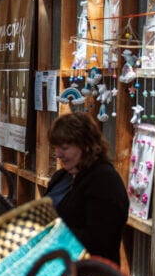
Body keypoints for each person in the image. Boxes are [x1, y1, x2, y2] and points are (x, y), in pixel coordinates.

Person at [45, 111, 129, 265]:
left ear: (86, 145)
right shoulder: (62, 176)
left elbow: (99, 242)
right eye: (56, 147)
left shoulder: (104, 180)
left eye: (64, 147)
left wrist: (50, 231)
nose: (58, 154)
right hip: (56, 271)